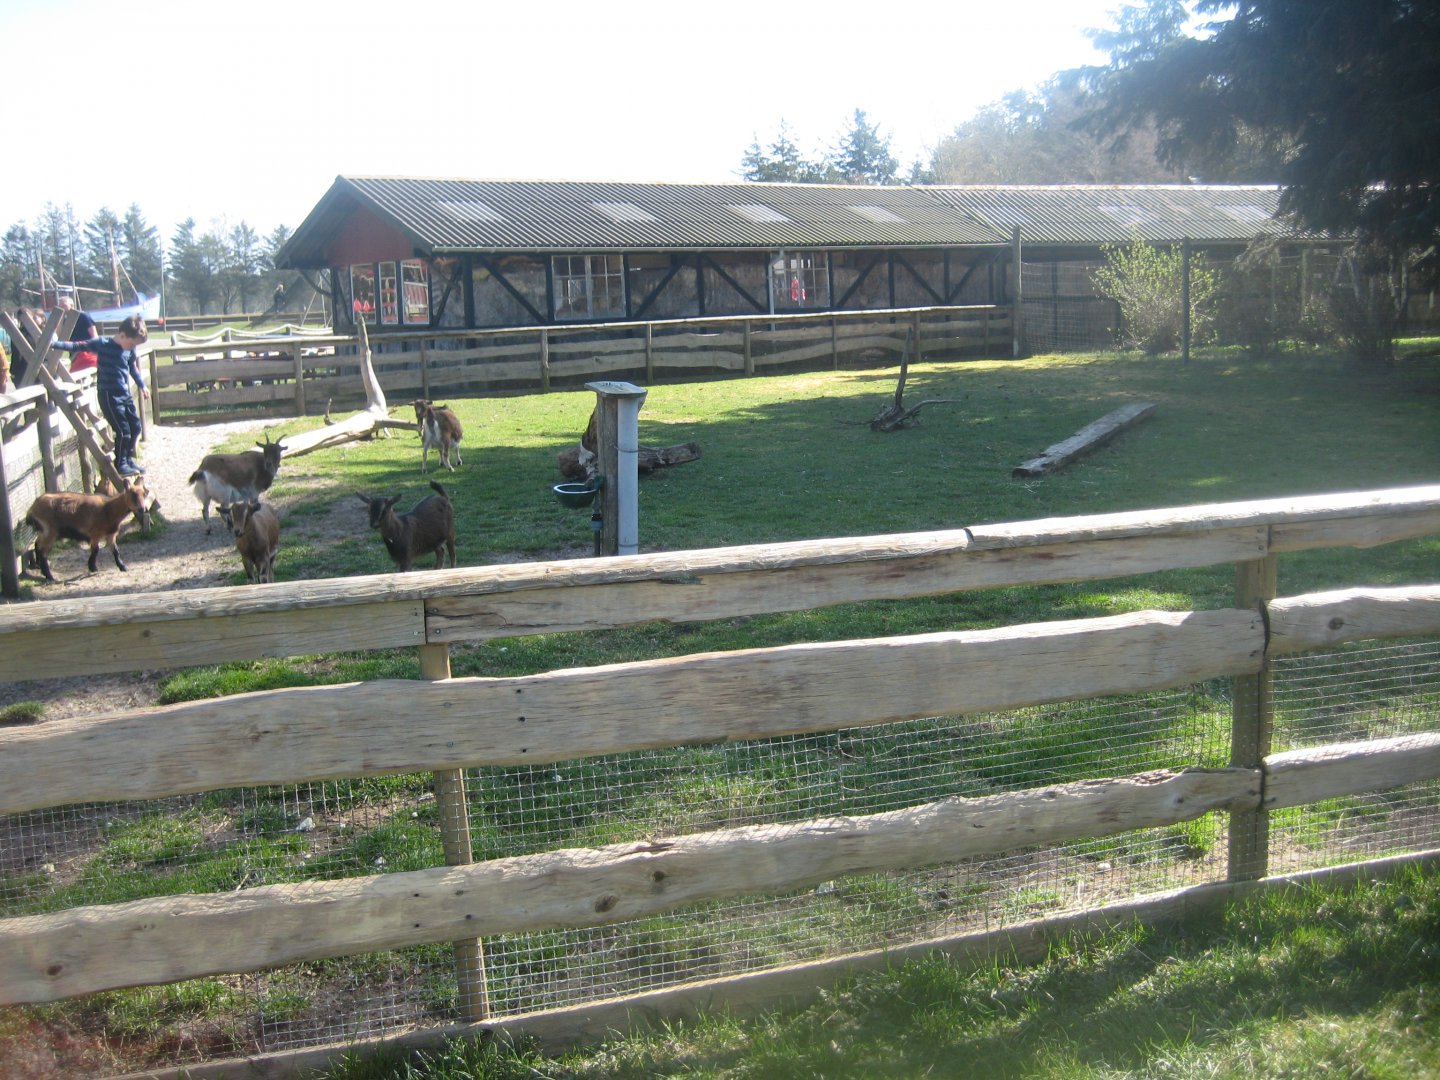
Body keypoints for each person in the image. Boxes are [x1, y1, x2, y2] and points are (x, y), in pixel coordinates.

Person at [50, 314, 150, 476]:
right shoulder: (102, 344)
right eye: (131, 344)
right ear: (122, 335)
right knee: (123, 430)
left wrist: (142, 385)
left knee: (135, 426)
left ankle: (128, 459)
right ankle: (121, 464)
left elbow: (132, 368)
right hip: (109, 395)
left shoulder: (129, 350)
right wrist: (55, 344)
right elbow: (78, 346)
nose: (132, 347)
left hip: (124, 394)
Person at [55, 295, 99, 373]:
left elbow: (94, 335)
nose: (61, 307)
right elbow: (59, 336)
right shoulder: (64, 320)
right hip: (73, 353)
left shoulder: (83, 316)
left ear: (72, 305)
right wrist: (60, 317)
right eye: (59, 305)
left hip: (86, 352)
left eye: (63, 305)